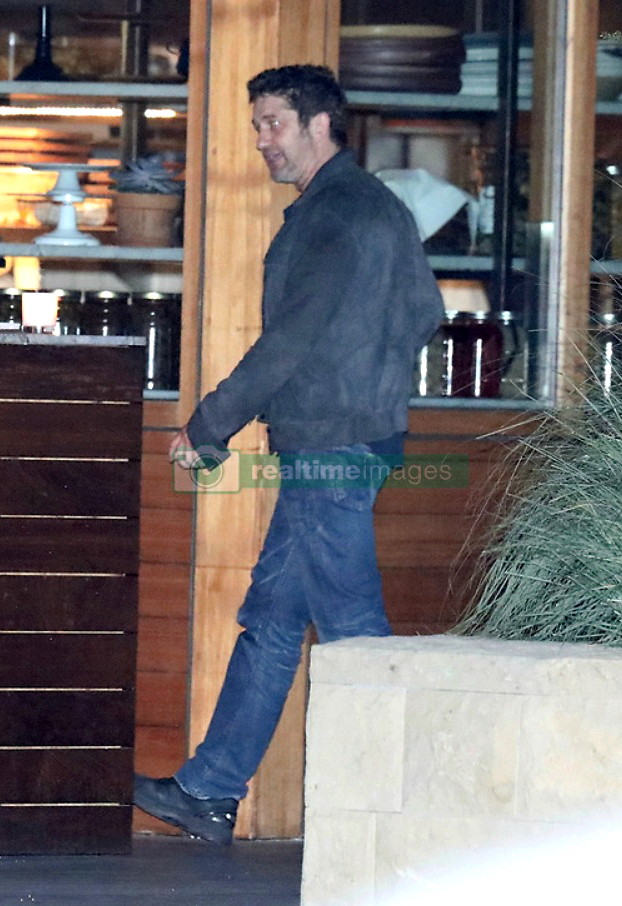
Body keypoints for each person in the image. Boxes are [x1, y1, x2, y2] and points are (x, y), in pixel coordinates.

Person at [134, 63, 444, 844]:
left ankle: (399, 814)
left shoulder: (336, 212)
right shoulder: (373, 205)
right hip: (350, 436)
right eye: (258, 125)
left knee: (353, 635)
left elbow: (290, 341)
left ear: (319, 124)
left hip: (330, 445)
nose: (262, 139)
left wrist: (209, 425)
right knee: (273, 619)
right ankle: (208, 792)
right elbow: (424, 311)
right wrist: (367, 377)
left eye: (273, 123)